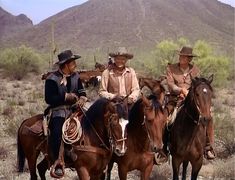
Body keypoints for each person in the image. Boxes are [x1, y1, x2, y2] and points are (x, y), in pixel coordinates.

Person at [158, 46, 215, 163]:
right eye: (181, 56)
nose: (182, 58)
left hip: (193, 99)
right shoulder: (171, 68)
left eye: (185, 57)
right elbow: (170, 85)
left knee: (208, 116)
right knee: (165, 119)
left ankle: (208, 146)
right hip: (175, 99)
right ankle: (163, 149)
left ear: (189, 59)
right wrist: (181, 90)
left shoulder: (195, 70)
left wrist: (190, 93)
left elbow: (198, 84)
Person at [44, 49, 87, 176]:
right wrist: (65, 96)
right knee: (57, 131)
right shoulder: (52, 79)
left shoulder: (75, 76)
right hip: (58, 111)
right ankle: (58, 162)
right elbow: (49, 99)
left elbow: (81, 91)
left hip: (75, 109)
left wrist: (83, 98)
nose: (75, 65)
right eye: (73, 63)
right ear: (65, 65)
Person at [98, 47, 140, 118]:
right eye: (118, 59)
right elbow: (101, 91)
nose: (120, 61)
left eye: (123, 59)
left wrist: (131, 98)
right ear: (114, 59)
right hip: (113, 105)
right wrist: (113, 96)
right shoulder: (107, 72)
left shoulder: (131, 71)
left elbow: (136, 89)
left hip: (129, 105)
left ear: (126, 60)